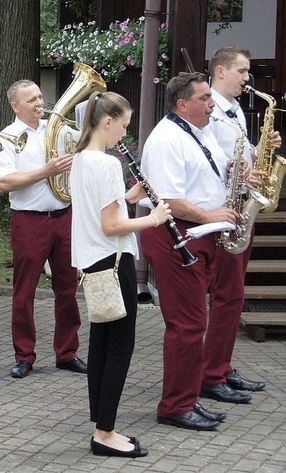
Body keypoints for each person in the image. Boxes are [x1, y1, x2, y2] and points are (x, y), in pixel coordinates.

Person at [71, 91, 169, 458]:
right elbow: (112, 225)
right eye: (124, 125)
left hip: (93, 263)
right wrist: (154, 219)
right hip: (115, 263)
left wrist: (130, 197)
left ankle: (102, 424)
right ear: (107, 121)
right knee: (120, 348)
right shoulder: (107, 163)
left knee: (100, 345)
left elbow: (101, 211)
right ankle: (105, 433)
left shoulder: (81, 159)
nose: (124, 135)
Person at [141, 72, 237, 430]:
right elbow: (170, 199)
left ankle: (189, 397)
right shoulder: (167, 139)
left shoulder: (200, 132)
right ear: (183, 105)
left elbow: (207, 173)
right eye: (205, 98)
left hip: (201, 234)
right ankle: (175, 406)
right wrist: (210, 214)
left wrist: (234, 168)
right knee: (188, 324)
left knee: (195, 321)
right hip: (178, 237)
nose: (212, 104)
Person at [0, 79, 86, 379]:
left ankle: (67, 352)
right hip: (29, 220)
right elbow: (4, 182)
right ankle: (24, 355)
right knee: (24, 291)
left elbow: (88, 143)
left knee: (68, 288)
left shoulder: (57, 130)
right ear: (15, 106)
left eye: (40, 97)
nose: (39, 103)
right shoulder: (7, 136)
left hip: (63, 215)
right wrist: (45, 172)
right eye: (31, 99)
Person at [205, 47, 279, 401]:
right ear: (221, 71)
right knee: (227, 295)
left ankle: (223, 365)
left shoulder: (233, 108)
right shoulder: (209, 110)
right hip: (226, 210)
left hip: (239, 208)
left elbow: (241, 149)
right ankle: (212, 373)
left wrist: (261, 146)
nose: (247, 79)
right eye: (242, 72)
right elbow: (212, 157)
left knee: (234, 296)